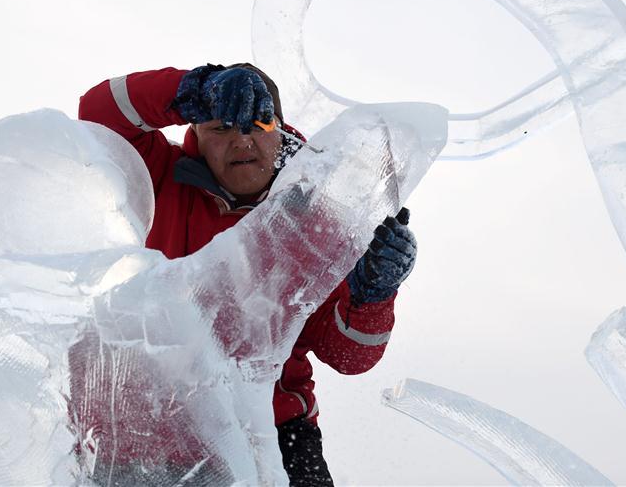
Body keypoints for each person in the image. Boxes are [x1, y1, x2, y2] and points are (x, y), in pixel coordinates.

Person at [78, 63, 417, 485]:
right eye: (220, 128)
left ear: (278, 128)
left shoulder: (316, 219)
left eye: (257, 124)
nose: (242, 140)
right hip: (136, 438)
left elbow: (349, 357)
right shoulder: (155, 174)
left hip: (273, 438)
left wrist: (374, 294)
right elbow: (96, 114)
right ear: (196, 132)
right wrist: (192, 87)